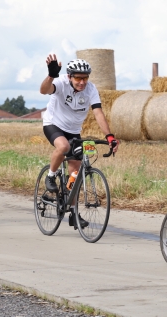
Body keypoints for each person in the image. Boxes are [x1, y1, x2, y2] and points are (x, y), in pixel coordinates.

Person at [39, 53, 118, 229]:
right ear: (69, 76)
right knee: (63, 146)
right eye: (78, 78)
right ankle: (51, 177)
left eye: (85, 78)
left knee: (76, 170)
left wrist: (109, 136)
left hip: (74, 131)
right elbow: (43, 90)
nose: (82, 82)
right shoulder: (60, 83)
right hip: (54, 125)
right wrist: (51, 75)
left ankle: (73, 213)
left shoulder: (91, 89)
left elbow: (98, 113)